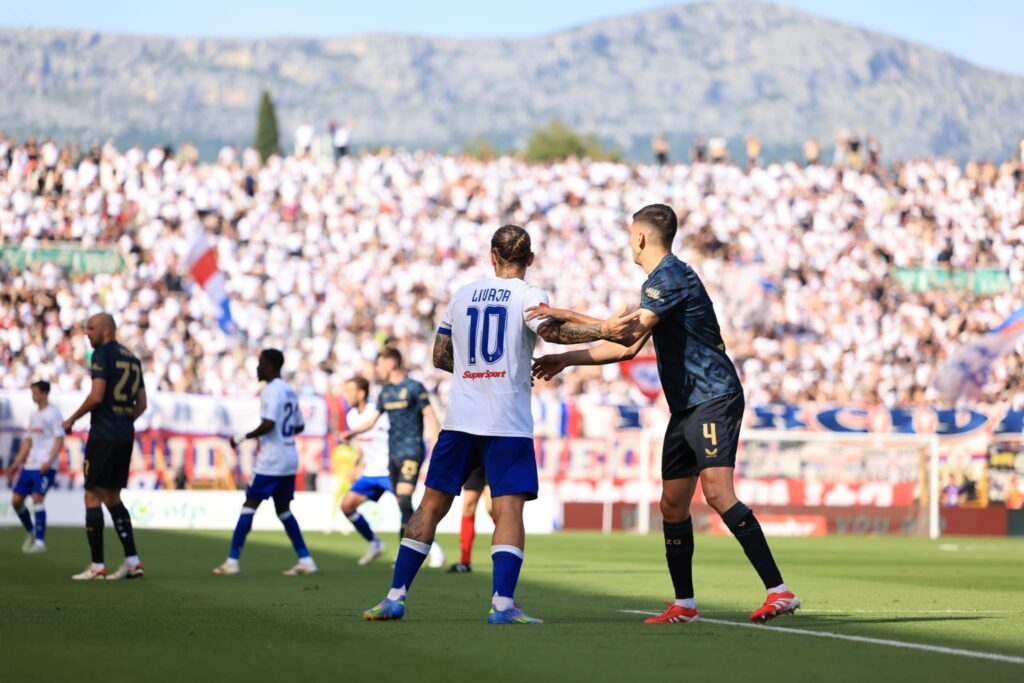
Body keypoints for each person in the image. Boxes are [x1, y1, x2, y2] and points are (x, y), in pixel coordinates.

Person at [530, 204, 800, 624]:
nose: (629, 244)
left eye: (629, 236)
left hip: (713, 396)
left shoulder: (670, 276)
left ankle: (779, 591)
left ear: (640, 237)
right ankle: (684, 604)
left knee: (717, 493)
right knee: (672, 505)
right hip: (686, 405)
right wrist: (566, 359)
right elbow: (627, 347)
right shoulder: (659, 282)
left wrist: (568, 316)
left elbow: (627, 333)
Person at [360, 224, 638, 623]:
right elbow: (553, 331)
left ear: (492, 256)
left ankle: (394, 597)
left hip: (461, 419)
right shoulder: (528, 295)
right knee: (508, 511)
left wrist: (475, 371)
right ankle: (502, 605)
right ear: (530, 259)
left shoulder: (462, 294)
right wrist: (603, 329)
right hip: (507, 422)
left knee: (431, 505)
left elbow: (440, 356)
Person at [212, 349, 317, 577]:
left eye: (260, 363)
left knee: (249, 505)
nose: (257, 368)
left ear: (270, 366)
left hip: (271, 460)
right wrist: (283, 435)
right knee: (283, 510)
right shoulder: (289, 389)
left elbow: (269, 424)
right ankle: (306, 559)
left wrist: (241, 437)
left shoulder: (270, 390)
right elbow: (299, 425)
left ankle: (232, 561)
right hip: (289, 457)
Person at [341, 347, 445, 567]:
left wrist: (438, 446)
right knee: (396, 506)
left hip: (411, 452)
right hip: (392, 457)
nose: (377, 368)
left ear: (391, 363)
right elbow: (371, 423)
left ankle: (429, 549)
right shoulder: (385, 392)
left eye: (379, 364)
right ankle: (390, 548)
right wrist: (352, 433)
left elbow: (430, 415)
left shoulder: (414, 387)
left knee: (404, 501)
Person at [62, 313, 147, 581]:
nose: (88, 333)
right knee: (112, 496)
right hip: (124, 435)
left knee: (92, 495)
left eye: (91, 328)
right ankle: (132, 561)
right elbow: (142, 404)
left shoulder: (102, 354)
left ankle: (97, 565)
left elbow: (97, 395)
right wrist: (124, 421)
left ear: (106, 331)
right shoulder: (133, 359)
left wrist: (72, 419)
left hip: (103, 434)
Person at [340, 375, 390, 565]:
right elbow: (362, 442)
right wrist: (355, 465)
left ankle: (433, 549)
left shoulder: (377, 412)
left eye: (349, 391)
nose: (345, 395)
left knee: (408, 510)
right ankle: (374, 543)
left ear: (361, 393)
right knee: (347, 506)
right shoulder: (351, 416)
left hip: (388, 470)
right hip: (370, 472)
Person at [9, 380, 64, 553]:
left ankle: (40, 542)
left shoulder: (53, 413)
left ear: (45, 393)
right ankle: (31, 531)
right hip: (30, 464)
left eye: (35, 392)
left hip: (45, 465)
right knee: (16, 501)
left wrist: (50, 461)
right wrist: (17, 461)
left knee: (37, 497)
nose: (33, 395)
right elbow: (28, 441)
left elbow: (60, 439)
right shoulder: (33, 415)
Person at [447, 466, 491, 573]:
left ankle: (509, 552)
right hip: (476, 463)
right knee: (468, 506)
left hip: (494, 460)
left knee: (492, 508)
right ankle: (465, 562)